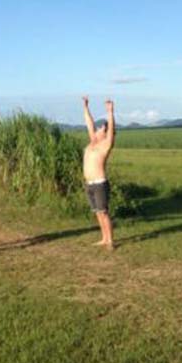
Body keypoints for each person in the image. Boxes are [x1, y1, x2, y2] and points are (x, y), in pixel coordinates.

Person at [82, 97, 116, 250]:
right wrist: (85, 107)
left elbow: (110, 133)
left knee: (103, 212)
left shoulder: (105, 145)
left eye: (100, 129)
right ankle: (104, 238)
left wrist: (110, 112)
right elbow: (89, 123)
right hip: (89, 184)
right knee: (97, 213)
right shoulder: (92, 142)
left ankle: (110, 241)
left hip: (99, 183)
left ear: (106, 133)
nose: (96, 129)